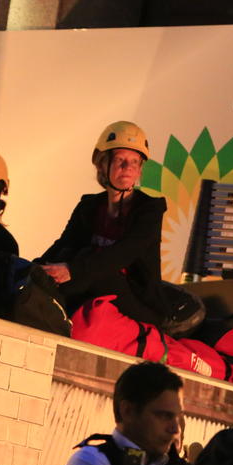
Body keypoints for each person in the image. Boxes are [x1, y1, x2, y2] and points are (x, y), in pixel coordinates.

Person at [36, 121, 200, 335]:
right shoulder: (89, 205)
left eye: (135, 162)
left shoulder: (150, 209)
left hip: (139, 303)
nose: (128, 167)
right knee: (63, 259)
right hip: (92, 286)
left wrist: (72, 270)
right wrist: (35, 269)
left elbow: (124, 253)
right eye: (120, 160)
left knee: (90, 265)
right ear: (102, 164)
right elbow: (65, 244)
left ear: (140, 170)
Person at [61, 361, 186, 465]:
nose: (175, 429)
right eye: (164, 416)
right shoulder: (91, 461)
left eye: (177, 417)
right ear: (128, 411)